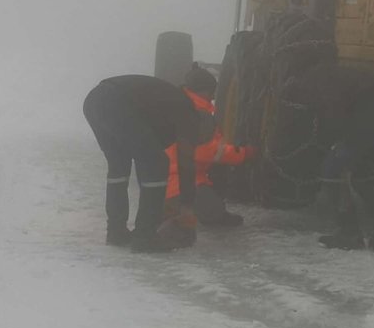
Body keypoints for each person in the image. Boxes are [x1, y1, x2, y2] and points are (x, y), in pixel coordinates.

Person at [82, 72, 215, 252]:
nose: (194, 144)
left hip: (94, 101)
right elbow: (186, 164)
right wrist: (187, 206)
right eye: (199, 140)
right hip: (116, 102)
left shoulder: (167, 114)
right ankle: (145, 236)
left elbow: (144, 149)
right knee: (157, 164)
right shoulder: (188, 115)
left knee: (119, 166)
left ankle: (116, 231)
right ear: (200, 127)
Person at [282, 63, 374, 250]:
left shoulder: (317, 83)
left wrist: (331, 144)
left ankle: (349, 233)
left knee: (331, 170)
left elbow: (335, 113)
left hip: (371, 114)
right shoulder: (334, 72)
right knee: (362, 169)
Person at [163, 64, 253, 239]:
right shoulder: (199, 115)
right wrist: (243, 153)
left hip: (169, 178)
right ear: (202, 91)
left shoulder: (183, 107)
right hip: (181, 182)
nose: (213, 96)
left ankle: (172, 208)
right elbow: (207, 152)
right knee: (213, 213)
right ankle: (185, 209)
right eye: (211, 91)